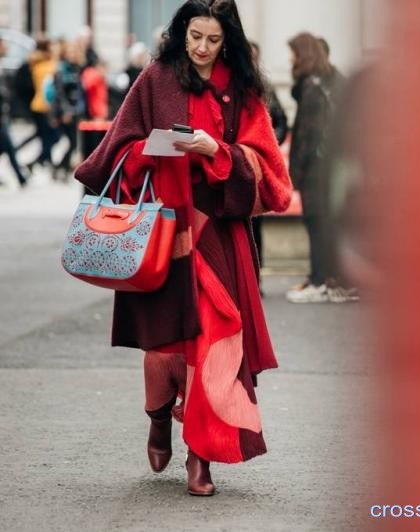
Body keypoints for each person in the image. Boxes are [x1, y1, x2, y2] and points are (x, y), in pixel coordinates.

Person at [74, 0, 292, 496]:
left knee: (215, 344)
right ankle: (157, 416)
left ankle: (201, 453)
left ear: (228, 41)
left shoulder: (243, 89)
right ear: (181, 32)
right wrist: (150, 151)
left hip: (218, 233)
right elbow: (116, 147)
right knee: (163, 349)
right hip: (163, 232)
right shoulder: (154, 78)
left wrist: (219, 152)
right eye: (195, 35)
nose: (201, 47)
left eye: (213, 40)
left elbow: (270, 171)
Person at [285, 33, 357, 303]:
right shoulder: (332, 81)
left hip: (316, 170)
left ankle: (321, 280)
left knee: (316, 223)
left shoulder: (311, 86)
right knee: (327, 224)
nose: (290, 58)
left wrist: (296, 172)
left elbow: (306, 135)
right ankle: (332, 279)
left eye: (293, 53)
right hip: (332, 167)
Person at [249, 40, 288, 279]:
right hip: (238, 162)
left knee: (256, 224)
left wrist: (271, 144)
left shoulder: (265, 86)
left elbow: (281, 120)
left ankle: (257, 274)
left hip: (258, 166)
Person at [50, 40, 85, 181]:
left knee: (74, 143)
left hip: (76, 110)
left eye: (74, 52)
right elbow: (60, 93)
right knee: (70, 142)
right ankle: (60, 168)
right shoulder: (61, 69)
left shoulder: (77, 68)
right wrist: (66, 111)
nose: (72, 54)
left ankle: (60, 168)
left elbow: (80, 92)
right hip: (65, 112)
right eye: (69, 52)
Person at [26, 38, 60, 177]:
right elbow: (49, 88)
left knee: (45, 137)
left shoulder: (37, 65)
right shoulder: (47, 66)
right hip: (45, 106)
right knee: (53, 137)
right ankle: (36, 161)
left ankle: (46, 163)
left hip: (37, 105)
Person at [0, 38, 30, 187]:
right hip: (1, 116)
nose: (6, 48)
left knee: (7, 147)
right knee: (9, 147)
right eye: (3, 46)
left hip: (3, 114)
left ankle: (21, 178)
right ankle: (21, 178)